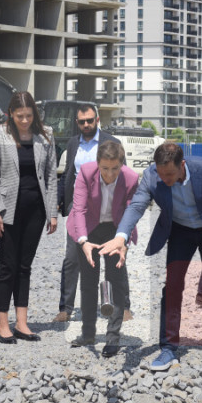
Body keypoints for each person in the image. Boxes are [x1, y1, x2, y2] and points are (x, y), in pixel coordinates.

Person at [100, 142, 202, 371]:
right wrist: (121, 236)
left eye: (170, 174)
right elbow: (137, 205)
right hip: (180, 231)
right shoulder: (152, 176)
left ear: (182, 164)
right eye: (161, 173)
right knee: (172, 287)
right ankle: (168, 349)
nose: (164, 179)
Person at [0, 91, 58, 344]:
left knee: (25, 266)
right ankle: (3, 325)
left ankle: (22, 323)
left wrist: (52, 212)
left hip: (36, 210)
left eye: (29, 116)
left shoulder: (46, 134)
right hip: (8, 211)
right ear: (11, 114)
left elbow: (50, 175)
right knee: (8, 266)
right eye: (20, 116)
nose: (25, 121)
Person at [66, 141, 138, 358]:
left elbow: (131, 212)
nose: (110, 174)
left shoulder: (131, 178)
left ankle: (113, 338)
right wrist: (83, 242)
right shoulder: (86, 172)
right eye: (105, 168)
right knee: (88, 280)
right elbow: (79, 209)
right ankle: (88, 333)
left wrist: (124, 244)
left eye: (115, 168)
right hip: (88, 228)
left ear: (121, 164)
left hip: (116, 230)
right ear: (97, 164)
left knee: (116, 281)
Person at [54, 104, 123, 323]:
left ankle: (119, 306)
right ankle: (65, 308)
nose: (86, 124)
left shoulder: (112, 143)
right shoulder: (73, 143)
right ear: (77, 122)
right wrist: (58, 203)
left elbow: (121, 177)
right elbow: (68, 175)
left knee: (111, 258)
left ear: (97, 120)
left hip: (105, 210)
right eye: (82, 121)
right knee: (71, 258)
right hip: (78, 209)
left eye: (90, 120)